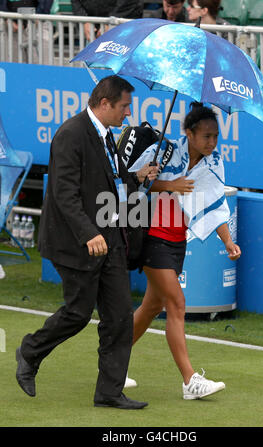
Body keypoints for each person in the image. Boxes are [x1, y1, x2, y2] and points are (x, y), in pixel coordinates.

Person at [15, 75, 158, 410]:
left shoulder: (108, 136)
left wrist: (137, 178)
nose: (128, 113)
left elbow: (112, 181)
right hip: (79, 242)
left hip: (111, 238)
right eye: (124, 106)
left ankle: (109, 391)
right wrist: (88, 233)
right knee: (78, 314)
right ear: (105, 103)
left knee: (121, 316)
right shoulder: (71, 134)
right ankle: (30, 350)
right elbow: (64, 193)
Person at [129, 102, 241, 400]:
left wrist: (228, 242)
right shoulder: (165, 151)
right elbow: (134, 181)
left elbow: (215, 204)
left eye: (216, 136)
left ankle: (111, 361)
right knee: (177, 303)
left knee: (151, 307)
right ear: (189, 133)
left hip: (177, 242)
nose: (212, 142)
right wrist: (169, 183)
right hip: (152, 235)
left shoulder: (214, 162)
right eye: (206, 136)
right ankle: (190, 380)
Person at [71, 0, 144, 41]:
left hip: (123, 22)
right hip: (93, 24)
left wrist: (111, 21)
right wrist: (84, 20)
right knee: (94, 64)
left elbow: (130, 2)